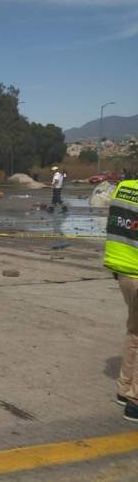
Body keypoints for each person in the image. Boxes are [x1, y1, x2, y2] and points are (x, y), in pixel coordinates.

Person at [103, 174, 138, 423]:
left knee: (135, 332)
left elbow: (116, 226)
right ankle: (135, 402)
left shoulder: (123, 188)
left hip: (123, 272)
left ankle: (124, 389)